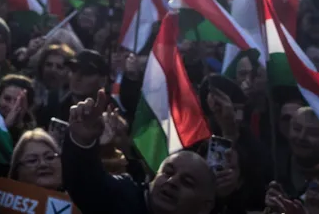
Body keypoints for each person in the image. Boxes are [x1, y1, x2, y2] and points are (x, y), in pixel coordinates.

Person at [62, 89, 217, 214]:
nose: (172, 182)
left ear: (205, 207)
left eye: (187, 182)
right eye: (167, 172)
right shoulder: (123, 196)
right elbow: (86, 183)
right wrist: (82, 141)